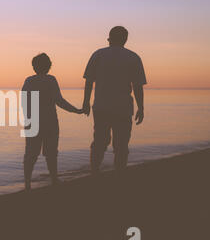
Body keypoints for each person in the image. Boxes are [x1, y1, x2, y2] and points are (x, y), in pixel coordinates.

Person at [82, 26, 147, 174]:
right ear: (125, 39)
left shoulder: (98, 54)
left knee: (99, 142)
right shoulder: (133, 57)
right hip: (123, 108)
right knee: (121, 145)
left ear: (109, 39)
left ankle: (94, 172)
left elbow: (89, 81)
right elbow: (137, 86)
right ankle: (120, 174)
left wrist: (85, 102)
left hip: (101, 107)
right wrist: (141, 108)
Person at [22, 53, 83, 190]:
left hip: (33, 122)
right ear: (49, 66)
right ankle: (54, 179)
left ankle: (27, 183)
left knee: (31, 154)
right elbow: (59, 101)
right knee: (51, 154)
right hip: (50, 122)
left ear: (34, 67)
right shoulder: (51, 80)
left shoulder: (28, 81)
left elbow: (24, 102)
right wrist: (76, 110)